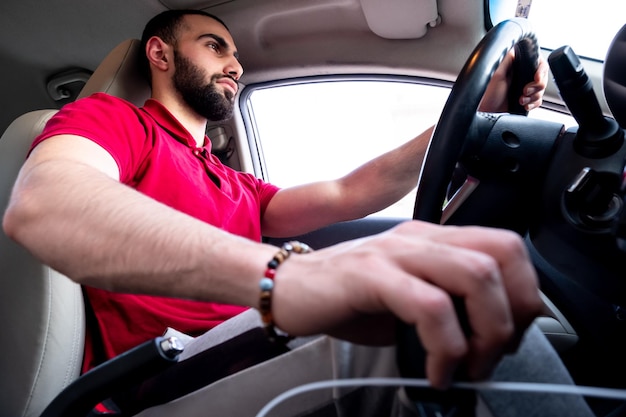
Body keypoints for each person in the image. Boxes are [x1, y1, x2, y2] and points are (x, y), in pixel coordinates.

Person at [2, 9, 593, 417]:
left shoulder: (235, 184)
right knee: (431, 313)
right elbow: (46, 203)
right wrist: (287, 277)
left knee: (459, 284)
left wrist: (477, 115)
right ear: (159, 53)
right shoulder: (116, 122)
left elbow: (351, 190)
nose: (234, 64)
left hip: (249, 347)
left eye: (234, 52)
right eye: (214, 46)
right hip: (161, 376)